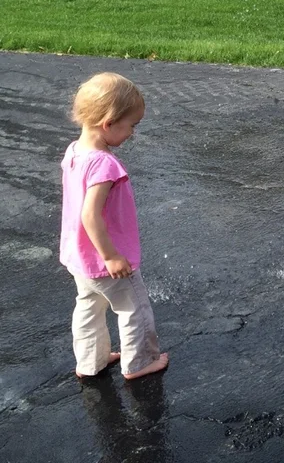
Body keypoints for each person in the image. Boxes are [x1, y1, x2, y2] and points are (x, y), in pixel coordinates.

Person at [60, 72, 169, 380]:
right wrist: (111, 255)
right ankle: (140, 363)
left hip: (79, 257)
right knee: (134, 308)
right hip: (106, 260)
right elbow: (90, 215)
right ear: (108, 123)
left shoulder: (74, 152)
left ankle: (90, 362)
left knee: (89, 307)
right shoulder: (105, 164)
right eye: (131, 126)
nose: (132, 133)